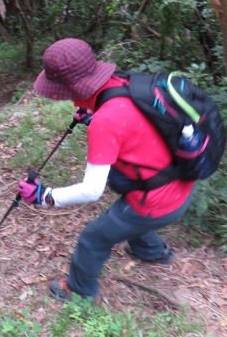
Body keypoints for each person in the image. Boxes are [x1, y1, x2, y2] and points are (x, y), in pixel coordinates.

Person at [18, 38, 195, 303]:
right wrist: (92, 115)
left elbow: (92, 191)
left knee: (93, 238)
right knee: (126, 215)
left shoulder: (106, 120)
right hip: (181, 184)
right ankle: (152, 251)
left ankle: (79, 290)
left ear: (68, 88)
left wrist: (45, 196)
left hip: (157, 201)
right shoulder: (126, 84)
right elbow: (134, 124)